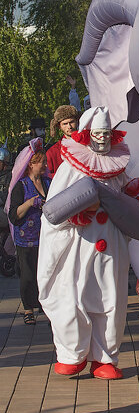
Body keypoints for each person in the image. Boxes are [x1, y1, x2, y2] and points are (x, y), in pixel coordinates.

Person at [38, 107, 139, 379]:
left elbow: (127, 187)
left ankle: (105, 359)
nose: (102, 138)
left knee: (111, 299)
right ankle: (73, 354)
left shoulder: (115, 165)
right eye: (97, 133)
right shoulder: (71, 165)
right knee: (74, 295)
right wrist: (79, 213)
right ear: (87, 134)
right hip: (80, 242)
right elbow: (56, 208)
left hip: (111, 244)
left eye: (106, 133)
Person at [5, 139, 51, 325]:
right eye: (43, 162)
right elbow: (13, 214)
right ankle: (28, 308)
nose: (46, 165)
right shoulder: (21, 186)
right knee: (28, 274)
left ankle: (45, 304)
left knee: (45, 273)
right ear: (31, 164)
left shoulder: (48, 183)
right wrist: (30, 203)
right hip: (26, 237)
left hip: (46, 236)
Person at [46, 104, 79, 177]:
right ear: (59, 126)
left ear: (77, 121)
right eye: (65, 124)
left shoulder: (87, 144)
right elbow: (47, 176)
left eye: (71, 122)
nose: (69, 127)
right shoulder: (52, 152)